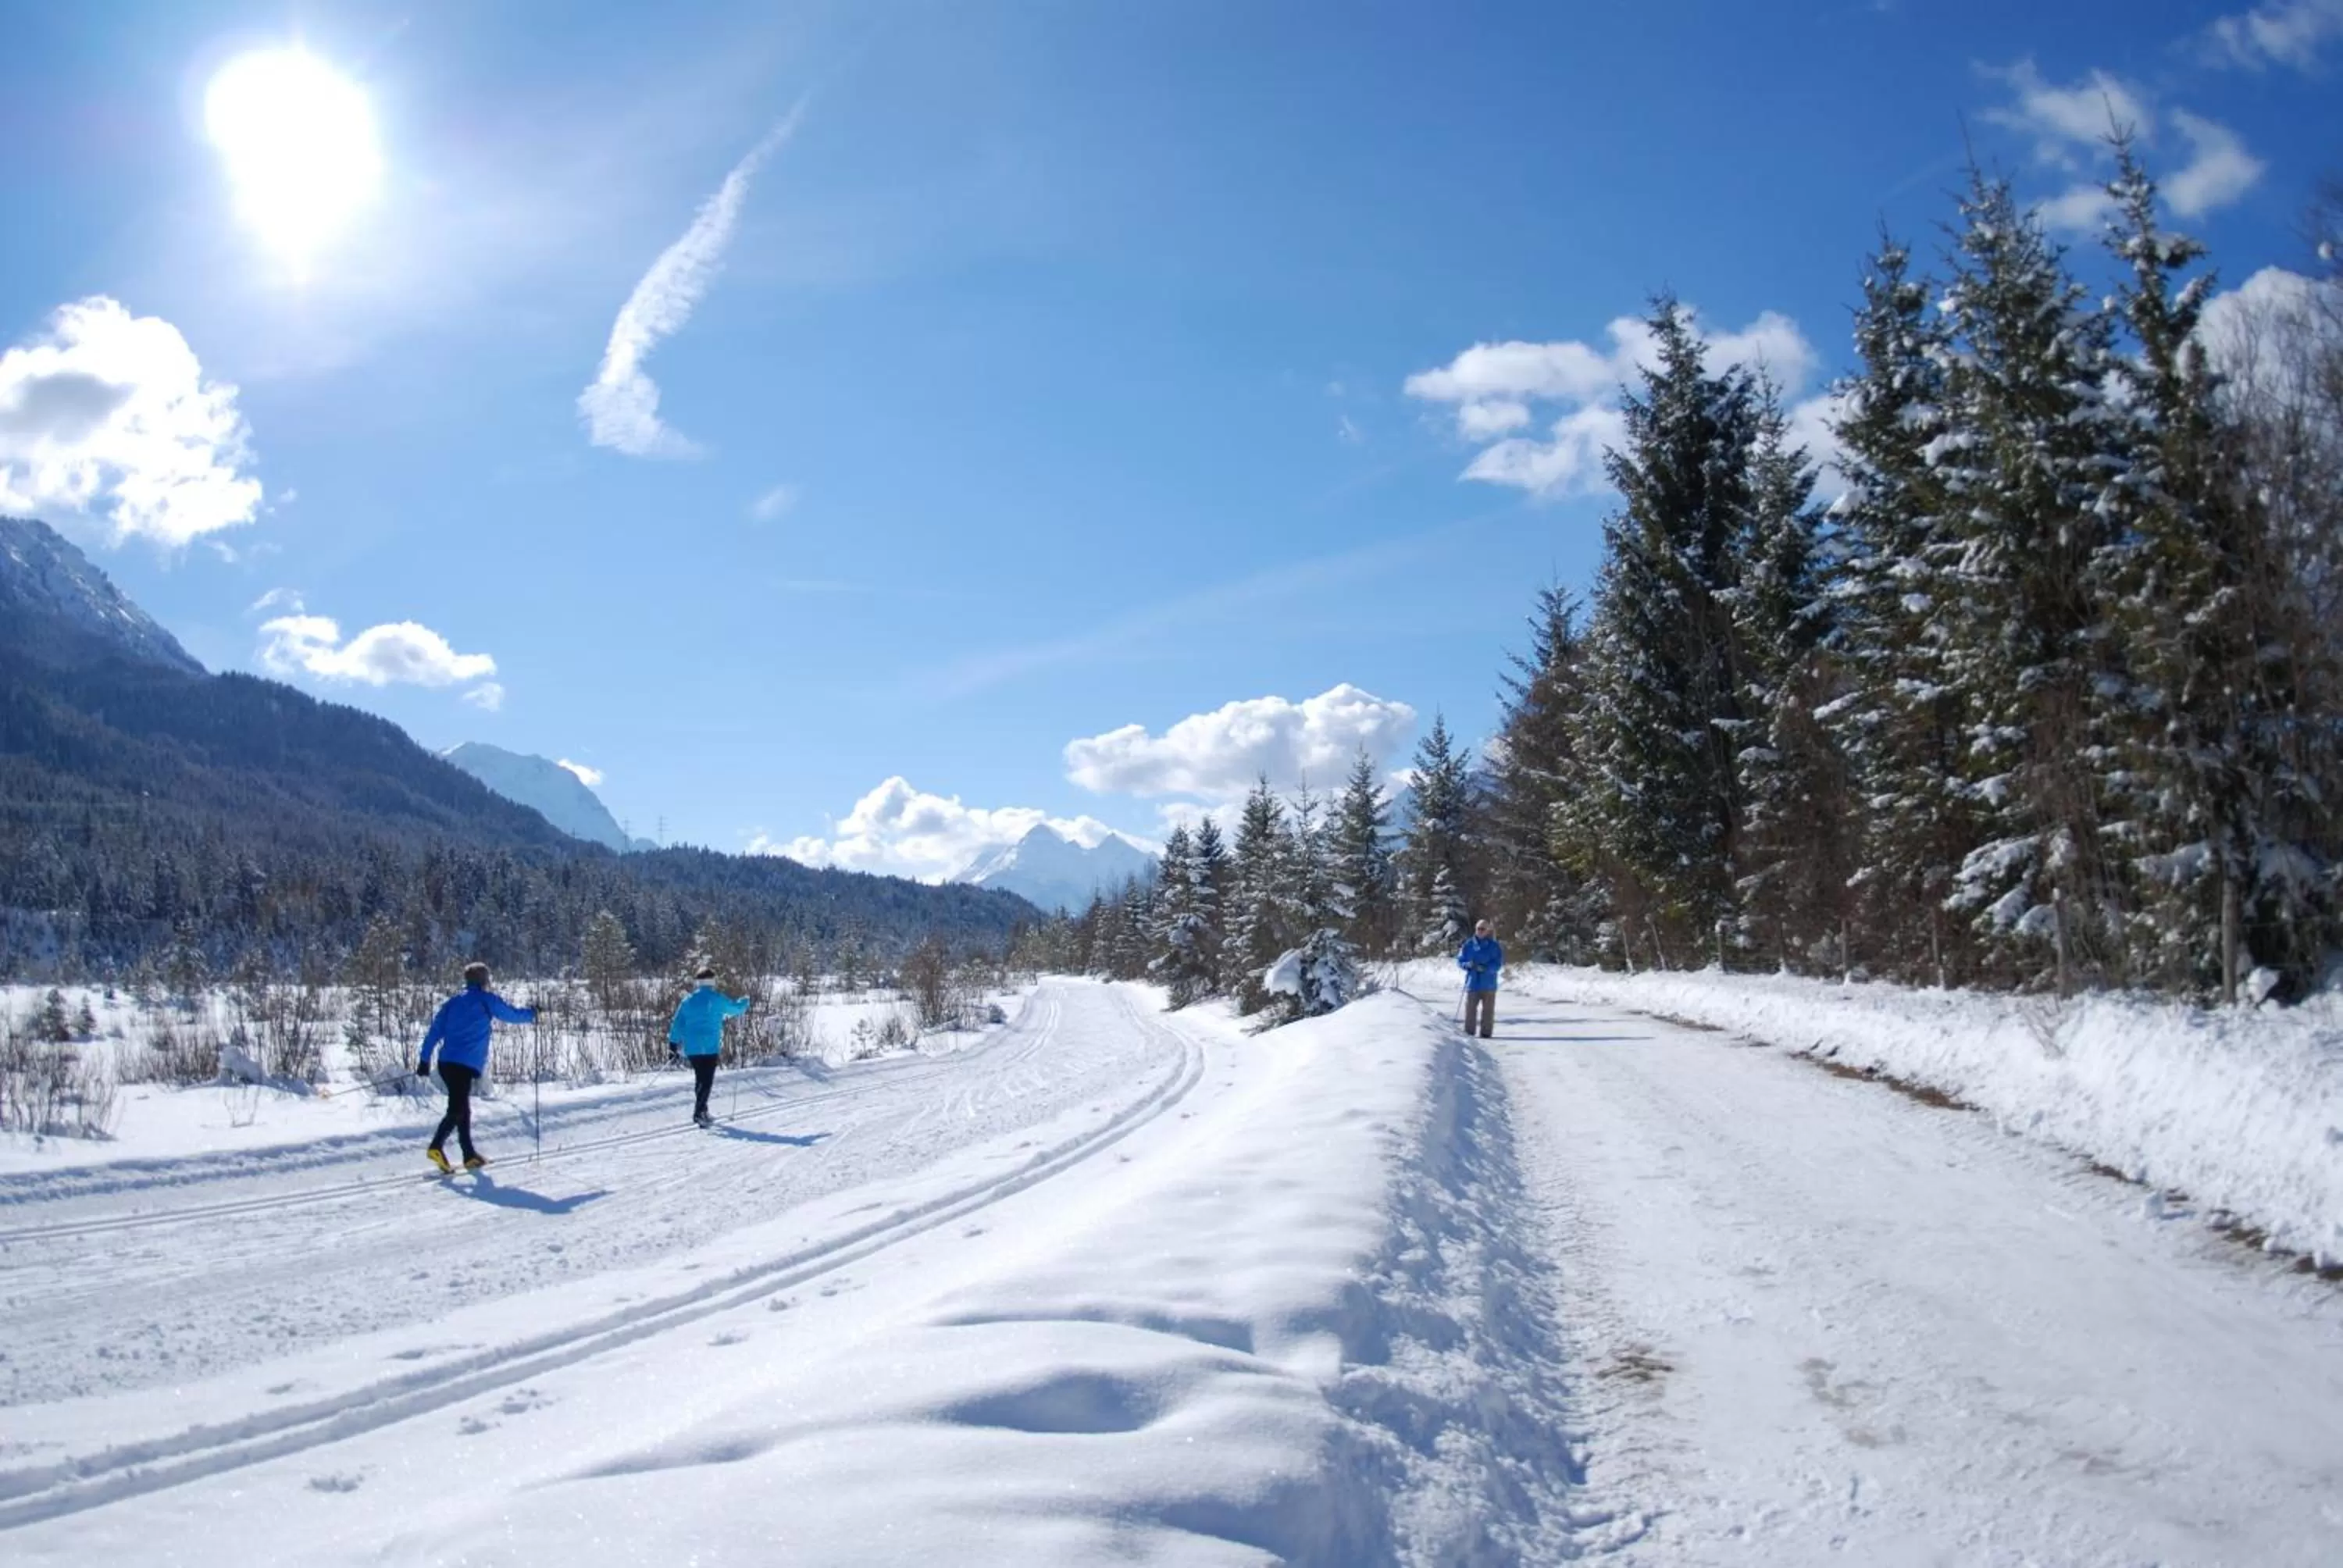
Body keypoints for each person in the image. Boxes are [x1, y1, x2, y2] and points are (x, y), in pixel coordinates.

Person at [417, 960, 536, 1173]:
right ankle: (436, 1146)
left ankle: (469, 1155)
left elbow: (434, 1031)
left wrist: (424, 1060)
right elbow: (511, 1015)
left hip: (446, 1063)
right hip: (463, 1064)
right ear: (484, 981)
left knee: (463, 1108)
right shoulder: (485, 1000)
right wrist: (532, 1013)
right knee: (456, 1110)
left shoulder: (452, 1002)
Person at [668, 967, 751, 1128]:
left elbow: (677, 1023)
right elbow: (735, 1009)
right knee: (706, 1081)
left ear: (698, 982)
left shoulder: (688, 1001)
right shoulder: (717, 999)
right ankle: (699, 1113)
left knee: (701, 1079)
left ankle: (703, 1110)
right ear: (712, 981)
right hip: (710, 1047)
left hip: (692, 1048)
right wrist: (745, 1002)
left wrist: (673, 1044)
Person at [1457, 919, 1504, 1039]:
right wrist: (1467, 965)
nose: (1480, 931)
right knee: (1470, 1010)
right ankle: (1469, 1032)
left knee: (1488, 1011)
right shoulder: (1468, 945)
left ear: (1487, 931)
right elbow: (1460, 961)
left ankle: (1486, 1033)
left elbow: (1498, 963)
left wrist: (1486, 968)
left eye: (1483, 929)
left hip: (1488, 984)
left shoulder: (1494, 946)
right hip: (1473, 983)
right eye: (1478, 929)